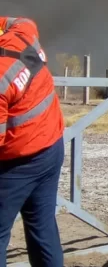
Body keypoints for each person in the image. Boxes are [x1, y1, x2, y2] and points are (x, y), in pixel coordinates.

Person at [0, 17, 64, 267]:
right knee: (42, 226)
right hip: (51, 148)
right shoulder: (24, 34)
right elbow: (20, 20)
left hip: (18, 164)